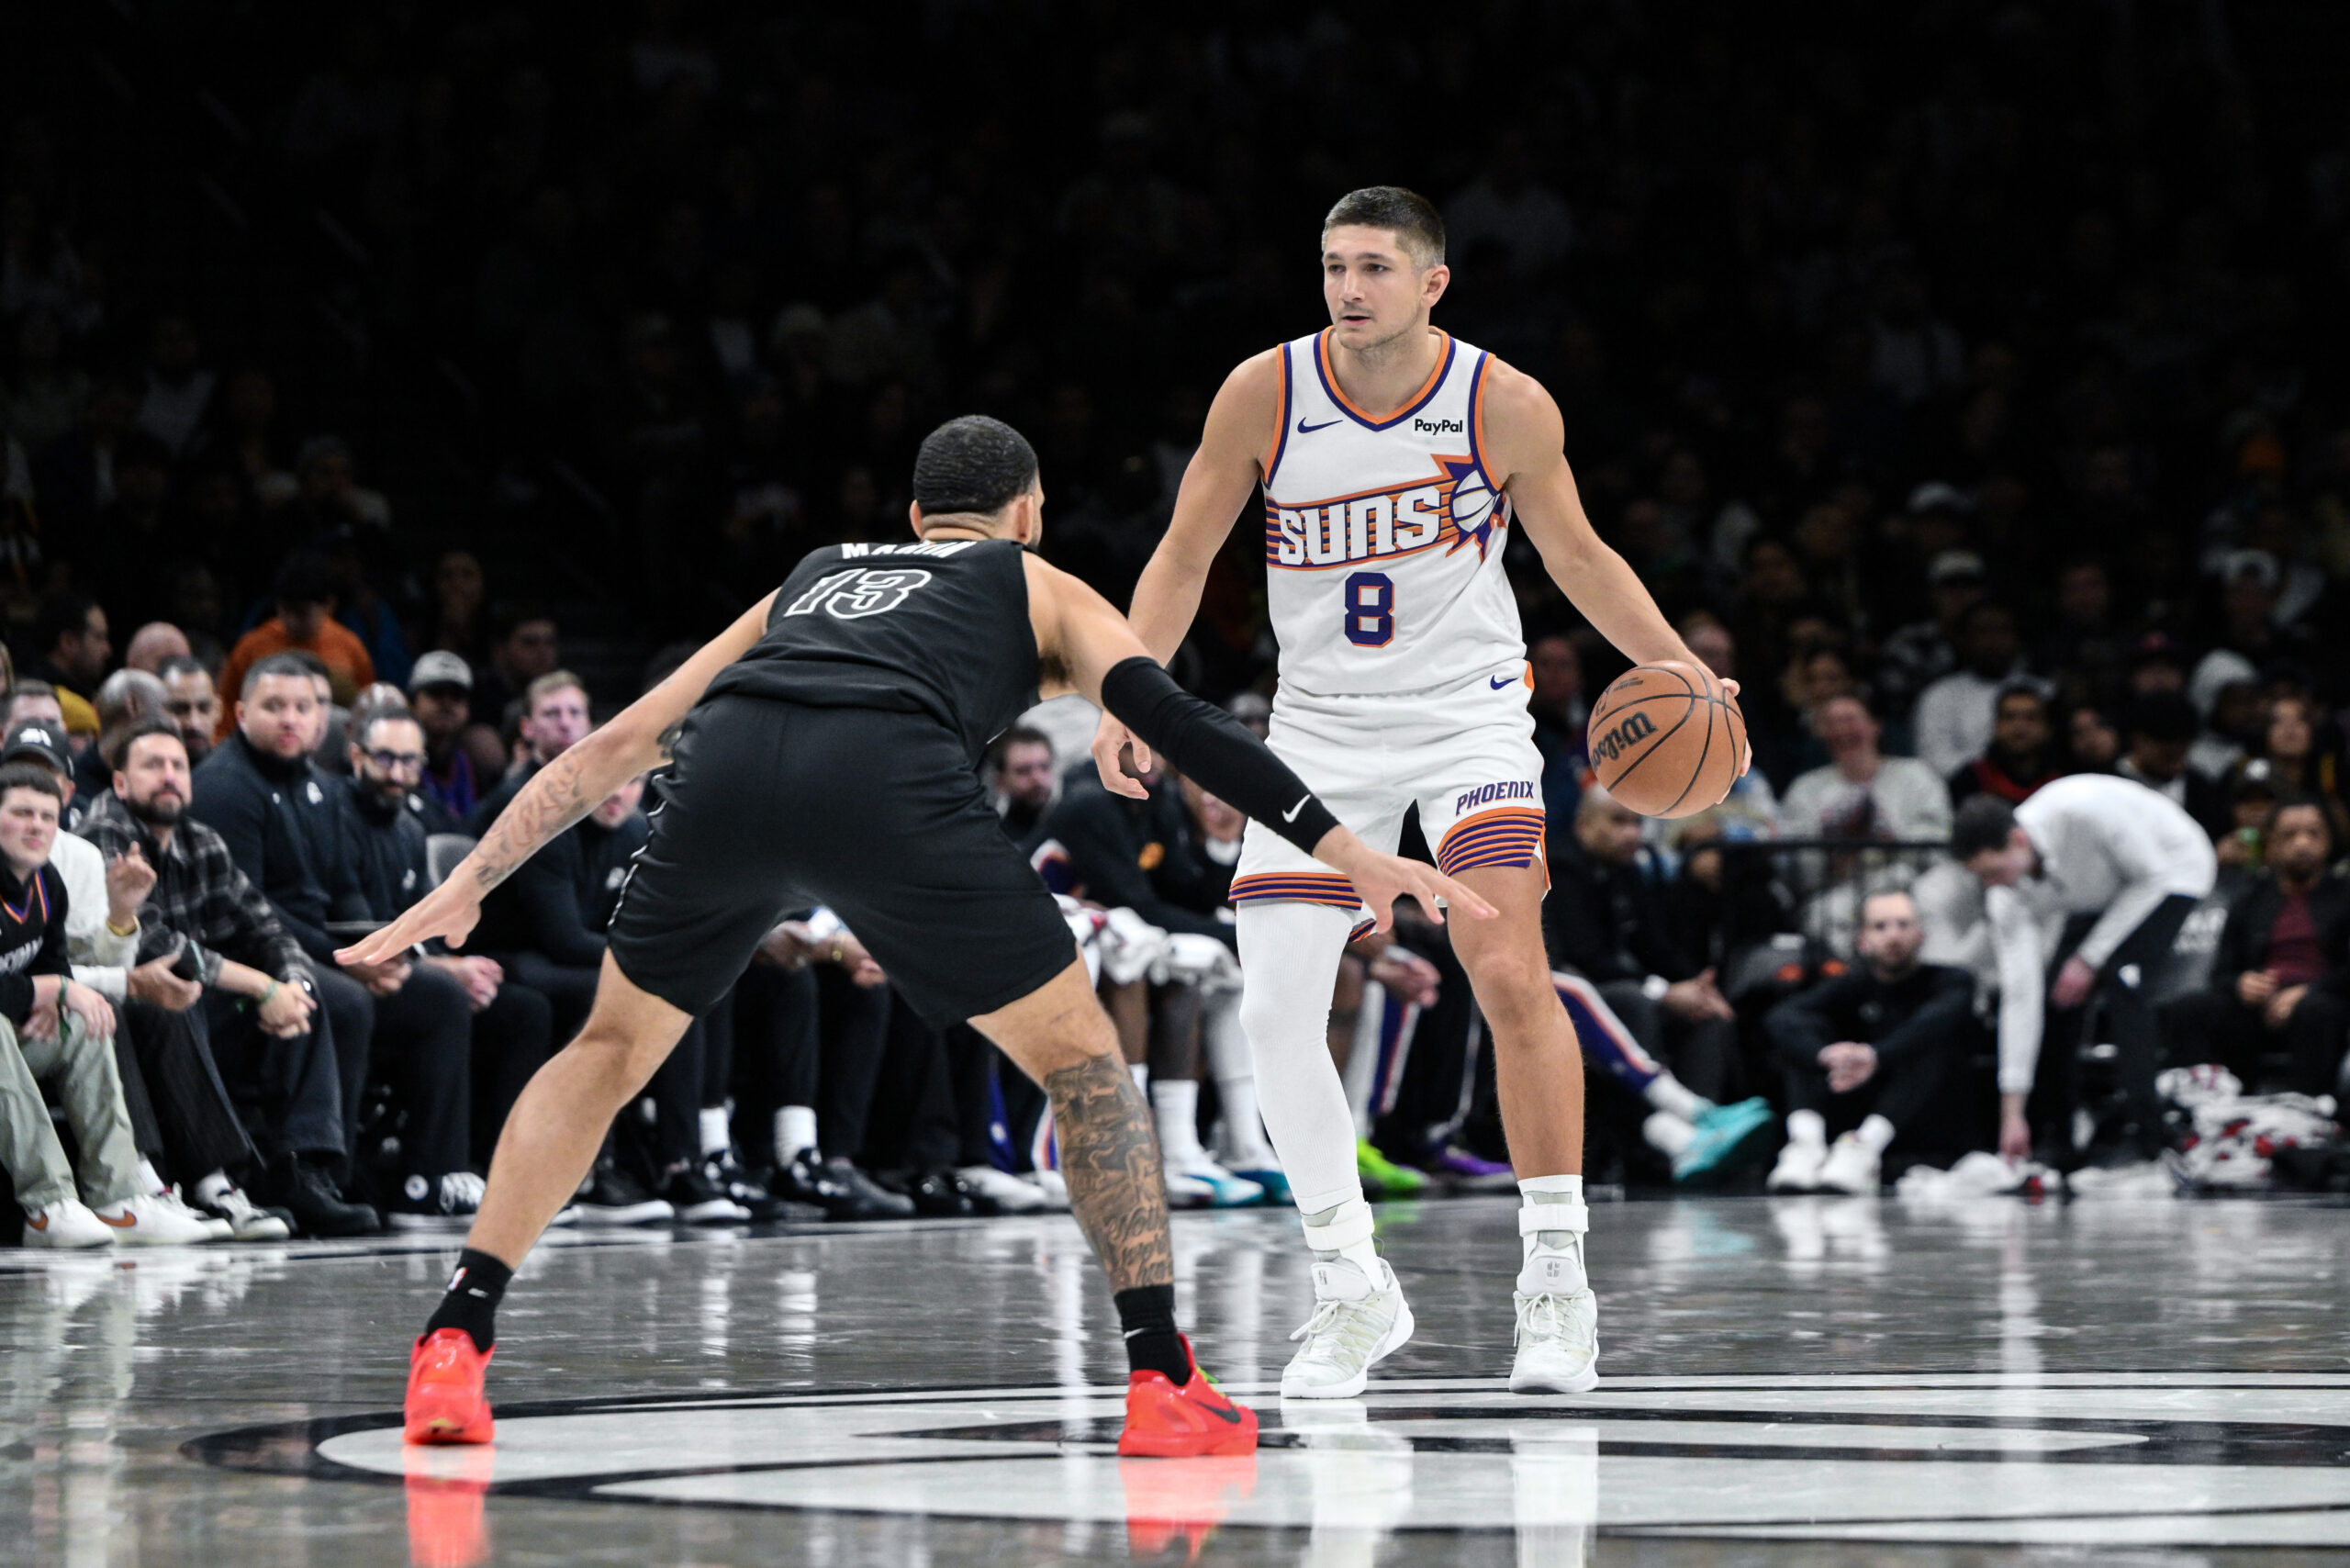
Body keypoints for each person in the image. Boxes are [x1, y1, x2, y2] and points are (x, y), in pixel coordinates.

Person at [349, 414, 1475, 1453]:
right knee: (1087, 1070)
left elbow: (623, 740)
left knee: (601, 1053)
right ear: (1028, 510)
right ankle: (1160, 1378)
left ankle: (455, 1338)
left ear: (913, 519)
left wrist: (471, 884)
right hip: (887, 782)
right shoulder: (1033, 580)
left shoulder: (812, 575)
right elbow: (1177, 723)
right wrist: (1349, 848)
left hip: (729, 774)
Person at [1089, 186, 1734, 1400]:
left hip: (1468, 723)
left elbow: (1580, 554)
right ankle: (1350, 1287)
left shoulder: (1499, 402)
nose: (1348, 287)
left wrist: (1678, 666)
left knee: (1507, 970)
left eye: (1375, 267)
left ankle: (1555, 1281)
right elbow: (1183, 553)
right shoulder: (1263, 393)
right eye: (1334, 265)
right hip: (1318, 734)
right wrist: (1129, 692)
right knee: (1276, 1011)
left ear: (1433, 283)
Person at [84, 721, 381, 1238]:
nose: (170, 777)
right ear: (121, 783)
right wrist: (261, 987)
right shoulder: (105, 832)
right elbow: (159, 948)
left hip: (201, 1005)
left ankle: (300, 1173)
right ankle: (217, 1184)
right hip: (129, 1003)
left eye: (178, 766)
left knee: (315, 996)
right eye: (153, 766)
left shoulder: (202, 841)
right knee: (183, 993)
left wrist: (288, 986)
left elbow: (268, 928)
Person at [340, 706, 560, 1212]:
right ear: (357, 756)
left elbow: (425, 927)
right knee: (442, 996)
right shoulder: (338, 817)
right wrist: (443, 969)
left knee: (525, 1011)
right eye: (386, 759)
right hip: (353, 967)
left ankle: (510, 1169)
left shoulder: (411, 830)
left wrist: (453, 966)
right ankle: (433, 1174)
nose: (398, 774)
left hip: (404, 965)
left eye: (409, 762)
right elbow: (355, 921)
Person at [0, 764, 215, 1246]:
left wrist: (57, 995)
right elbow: (51, 981)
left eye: (47, 816)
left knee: (89, 1016)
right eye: (21, 813)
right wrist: (51, 990)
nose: (36, 825)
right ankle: (46, 1204)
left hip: (14, 1036)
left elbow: (52, 964)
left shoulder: (47, 882)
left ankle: (118, 1198)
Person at [1953, 779, 2218, 1168]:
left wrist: (2090, 957)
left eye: (1994, 871)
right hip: (2104, 894)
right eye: (1983, 877)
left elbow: (2151, 878)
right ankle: (2056, 1136)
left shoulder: (2081, 810)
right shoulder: (2003, 893)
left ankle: (2148, 1138)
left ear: (2018, 839)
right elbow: (2019, 996)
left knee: (2124, 977)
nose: (1993, 886)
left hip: (2173, 870)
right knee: (2056, 992)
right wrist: (2013, 1115)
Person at [1762, 890, 1975, 1193]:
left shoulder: (1952, 981)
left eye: (1903, 925)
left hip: (1921, 1118)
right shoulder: (1851, 985)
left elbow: (1933, 1023)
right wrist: (1826, 1055)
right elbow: (1782, 1017)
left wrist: (1874, 1056)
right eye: (1881, 926)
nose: (1894, 935)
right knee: (1805, 1035)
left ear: (1921, 935)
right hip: (1852, 1099)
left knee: (1930, 1041)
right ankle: (1805, 1144)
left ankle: (1863, 1148)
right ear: (1862, 940)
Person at [2161, 799, 2350, 1097]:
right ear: (2271, 842)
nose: (2303, 843)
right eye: (2290, 835)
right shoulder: (2251, 900)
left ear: (2330, 840)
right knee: (2190, 1009)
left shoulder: (2343, 894)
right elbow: (2222, 973)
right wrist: (2241, 983)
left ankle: (2311, 1113)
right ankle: (2202, 1108)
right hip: (2259, 1006)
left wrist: (2309, 991)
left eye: (2314, 834)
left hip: (2325, 1003)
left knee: (2316, 1012)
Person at [213, 551, 377, 731]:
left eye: (301, 612)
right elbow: (227, 711)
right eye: (284, 610)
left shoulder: (349, 647)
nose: (290, 620)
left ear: (328, 606)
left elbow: (367, 708)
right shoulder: (251, 646)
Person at [464, 670, 592, 834]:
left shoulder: (611, 791)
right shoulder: (511, 796)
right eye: (552, 713)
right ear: (527, 728)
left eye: (575, 712)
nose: (566, 723)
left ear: (588, 722)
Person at [1947, 682, 2065, 808]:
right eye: (2009, 717)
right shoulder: (1970, 780)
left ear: (2047, 728)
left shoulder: (2063, 782)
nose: (2019, 726)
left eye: (2031, 718)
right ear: (1996, 725)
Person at [157, 656, 220, 764]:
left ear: (218, 710)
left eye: (204, 709)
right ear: (158, 711)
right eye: (179, 710)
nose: (193, 723)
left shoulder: (239, 775)